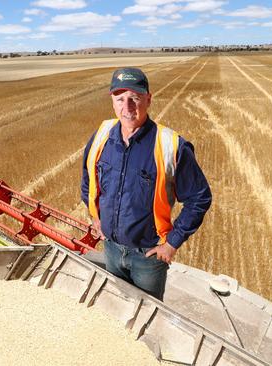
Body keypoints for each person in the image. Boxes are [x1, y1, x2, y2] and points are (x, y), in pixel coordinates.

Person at [81, 67, 212, 300]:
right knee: (118, 306)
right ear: (112, 100)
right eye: (120, 99)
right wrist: (95, 216)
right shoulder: (101, 135)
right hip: (110, 249)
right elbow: (88, 178)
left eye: (135, 98)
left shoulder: (170, 146)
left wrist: (171, 244)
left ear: (149, 99)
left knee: (148, 315)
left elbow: (199, 198)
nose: (127, 107)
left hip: (148, 258)